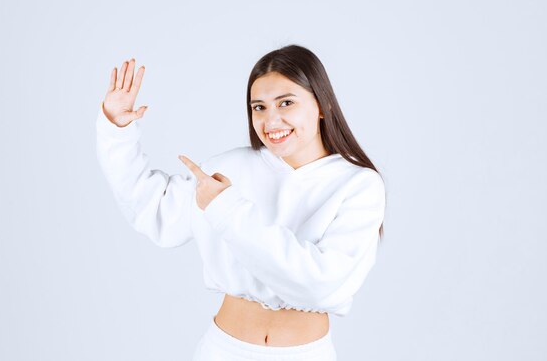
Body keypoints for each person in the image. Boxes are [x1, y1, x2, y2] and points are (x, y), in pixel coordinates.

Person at [95, 44, 387, 360]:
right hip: (224, 350)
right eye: (259, 107)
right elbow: (153, 208)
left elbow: (319, 283)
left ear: (322, 104)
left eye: (286, 103)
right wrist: (117, 131)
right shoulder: (229, 170)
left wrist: (227, 210)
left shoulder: (358, 185)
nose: (271, 121)